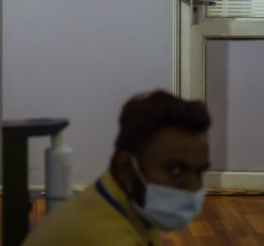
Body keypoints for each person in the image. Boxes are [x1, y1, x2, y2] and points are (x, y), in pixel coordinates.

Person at [22, 90, 211, 246]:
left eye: (200, 172)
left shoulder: (114, 201)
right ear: (126, 167)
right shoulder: (104, 237)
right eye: (175, 170)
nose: (193, 187)